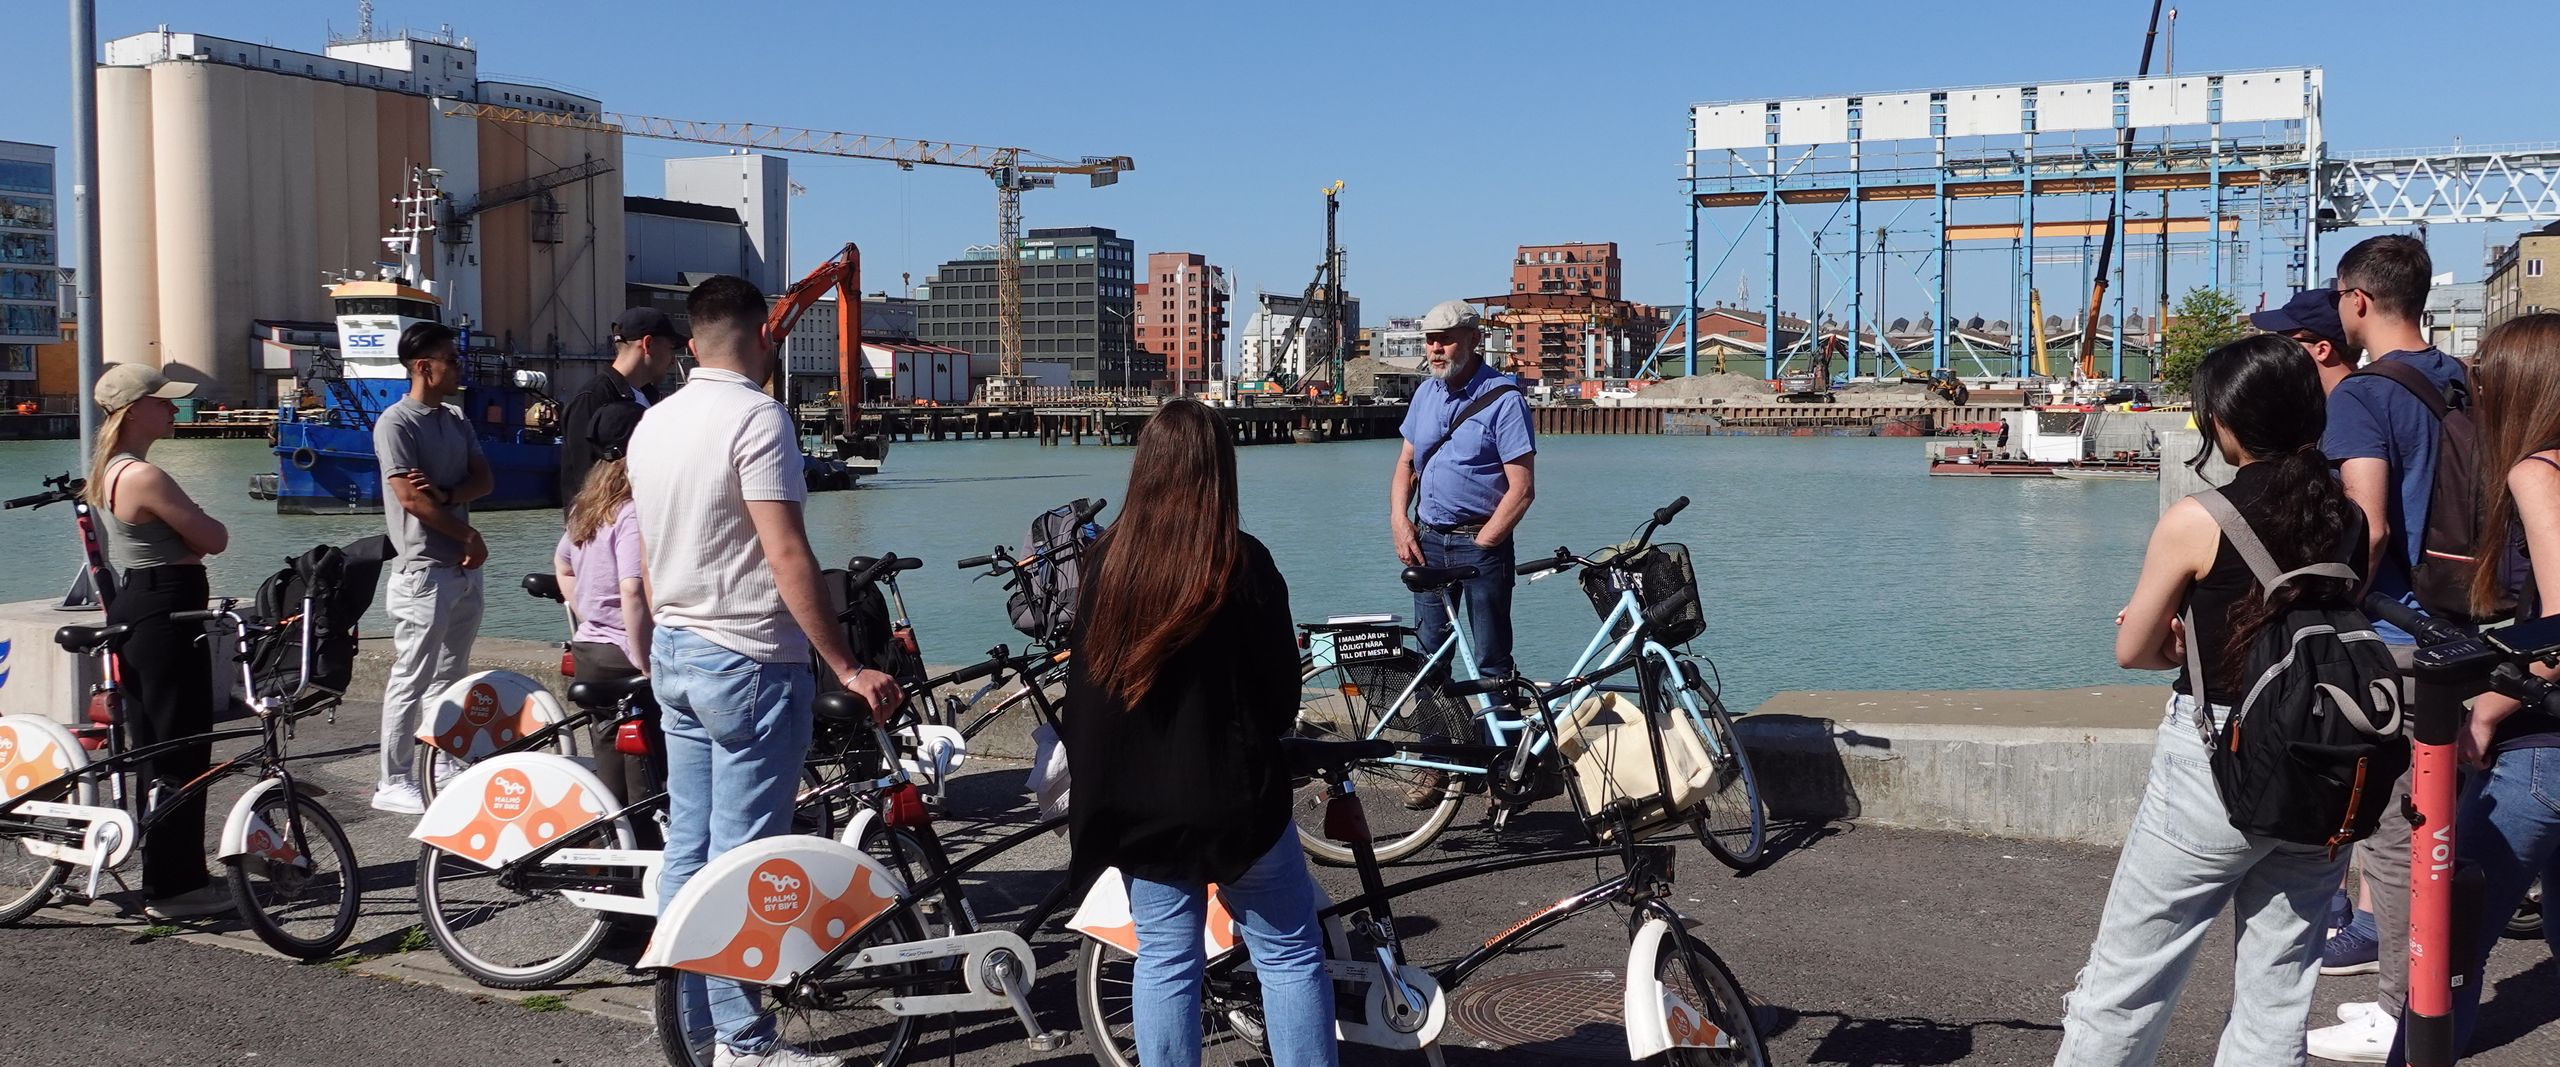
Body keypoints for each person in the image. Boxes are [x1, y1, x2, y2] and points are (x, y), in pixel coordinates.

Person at [2054, 335, 2370, 1066]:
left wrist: (2175, 642)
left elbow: (2132, 649)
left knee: (2130, 977)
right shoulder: (2345, 516)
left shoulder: (2201, 518)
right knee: (2278, 988)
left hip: (2217, 756)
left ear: (2225, 421)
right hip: (2323, 755)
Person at [626, 274, 903, 1067]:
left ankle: (692, 1025)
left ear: (692, 337)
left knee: (690, 850)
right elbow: (787, 555)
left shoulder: (655, 424)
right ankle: (746, 1046)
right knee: (746, 858)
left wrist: (653, 643)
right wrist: (846, 665)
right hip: (747, 658)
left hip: (677, 650)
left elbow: (645, 556)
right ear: (759, 335)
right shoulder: (757, 418)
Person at [1061, 398, 1336, 1067]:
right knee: (1289, 950)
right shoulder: (1241, 563)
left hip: (1136, 803)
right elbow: (1280, 692)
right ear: (1221, 471)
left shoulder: (1106, 565)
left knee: (1165, 957)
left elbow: (1086, 691)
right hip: (1232, 797)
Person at [2378, 312, 2560, 1065]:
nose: (2472, 386)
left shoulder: (2537, 471)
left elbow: (2557, 631)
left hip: (2541, 753)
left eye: (2483, 374)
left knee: (2444, 950)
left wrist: (2484, 712)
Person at [2309, 235, 2466, 1063]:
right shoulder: (2461, 380)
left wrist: (2322, 607)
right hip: (2464, 626)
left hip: (2395, 631)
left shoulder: (2363, 396)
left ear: (2359, 299)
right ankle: (2428, 990)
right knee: (2445, 825)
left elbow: (2368, 521)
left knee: (2395, 832)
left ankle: (2402, 1009)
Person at [86, 363, 232, 919]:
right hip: (169, 606)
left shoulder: (109, 471)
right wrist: (203, 527)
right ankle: (175, 888)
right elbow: (214, 538)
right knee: (183, 745)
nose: (174, 410)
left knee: (155, 744)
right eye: (163, 402)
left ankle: (171, 874)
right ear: (132, 411)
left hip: (141, 604)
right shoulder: (145, 477)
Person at [373, 321, 491, 815]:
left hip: (462, 570)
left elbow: (482, 480)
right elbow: (408, 499)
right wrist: (465, 532)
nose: (458, 368)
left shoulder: (456, 419)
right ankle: (393, 778)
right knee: (412, 676)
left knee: (451, 674)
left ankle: (441, 762)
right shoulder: (396, 424)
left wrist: (445, 493)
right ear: (424, 366)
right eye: (451, 360)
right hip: (423, 570)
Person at [1387, 298, 1535, 678]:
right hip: (1429, 541)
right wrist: (1400, 521)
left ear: (1474, 340)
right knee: (1430, 660)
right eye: (1431, 340)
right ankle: (1435, 736)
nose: (1436, 348)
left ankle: (1496, 738)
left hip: (1480, 543)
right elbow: (1406, 464)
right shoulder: (1424, 395)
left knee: (1491, 660)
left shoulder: (1504, 400)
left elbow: (1522, 489)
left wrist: (1485, 542)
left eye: (1446, 340)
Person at [553, 403, 655, 808]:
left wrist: (587, 611)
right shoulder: (630, 512)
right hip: (622, 653)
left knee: (609, 766)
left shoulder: (588, 507)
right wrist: (644, 658)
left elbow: (561, 564)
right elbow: (632, 590)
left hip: (589, 648)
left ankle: (611, 849)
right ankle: (647, 850)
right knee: (644, 776)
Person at [558, 307, 683, 506]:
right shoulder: (592, 399)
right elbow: (584, 478)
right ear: (648, 344)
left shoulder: (648, 397)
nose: (672, 360)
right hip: (604, 530)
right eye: (671, 348)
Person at [2252, 288, 2362, 395]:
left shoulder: (2348, 408)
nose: (2279, 348)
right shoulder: (2367, 395)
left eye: (2286, 342)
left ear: (2322, 350)